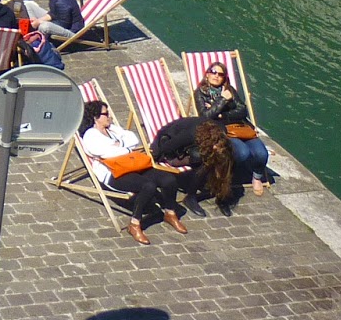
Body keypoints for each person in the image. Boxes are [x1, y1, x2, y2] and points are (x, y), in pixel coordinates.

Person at [79, 99, 189, 245]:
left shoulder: (112, 129)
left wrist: (121, 145)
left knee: (169, 180)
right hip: (113, 173)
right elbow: (105, 153)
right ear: (95, 117)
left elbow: (133, 138)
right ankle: (135, 224)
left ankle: (170, 213)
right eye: (106, 114)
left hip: (132, 164)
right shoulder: (90, 136)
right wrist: (125, 149)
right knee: (148, 186)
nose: (109, 116)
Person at [192, 61, 272, 194]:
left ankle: (257, 177)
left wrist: (221, 114)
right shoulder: (200, 93)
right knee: (242, 153)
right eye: (213, 72)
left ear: (224, 78)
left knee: (261, 153)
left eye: (221, 74)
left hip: (241, 126)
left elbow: (242, 110)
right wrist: (223, 99)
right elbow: (206, 116)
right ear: (207, 75)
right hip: (221, 130)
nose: (216, 76)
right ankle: (226, 172)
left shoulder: (230, 90)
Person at [151, 117, 235, 216]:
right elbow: (167, 148)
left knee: (225, 158)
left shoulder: (222, 132)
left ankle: (221, 195)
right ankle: (191, 196)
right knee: (201, 160)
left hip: (194, 146)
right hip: (168, 144)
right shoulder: (190, 135)